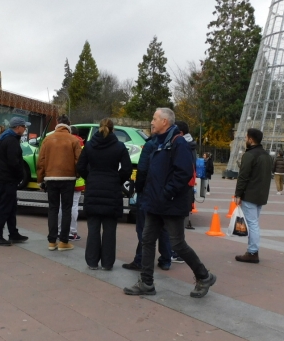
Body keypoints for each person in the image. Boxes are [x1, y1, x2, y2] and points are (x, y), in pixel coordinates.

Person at [124, 108, 216, 298]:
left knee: (178, 244)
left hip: (170, 204)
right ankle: (146, 282)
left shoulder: (178, 142)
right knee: (147, 240)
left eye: (155, 119)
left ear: (165, 121)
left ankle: (204, 276)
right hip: (155, 203)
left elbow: (182, 173)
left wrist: (166, 194)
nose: (152, 122)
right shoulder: (158, 142)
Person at [77, 118, 131, 269]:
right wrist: (116, 179)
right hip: (112, 190)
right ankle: (107, 263)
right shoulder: (119, 147)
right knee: (110, 230)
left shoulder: (89, 146)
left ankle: (92, 261)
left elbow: (80, 166)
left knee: (93, 228)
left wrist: (90, 177)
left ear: (98, 128)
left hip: (93, 188)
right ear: (113, 130)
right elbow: (126, 169)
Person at [122, 132, 175, 272]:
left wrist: (138, 189)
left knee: (144, 229)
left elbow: (142, 169)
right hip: (164, 192)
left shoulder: (150, 145)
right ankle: (166, 260)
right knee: (163, 227)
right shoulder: (172, 144)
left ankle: (141, 260)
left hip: (147, 191)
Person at [37, 115, 82, 251]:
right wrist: (76, 175)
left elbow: (41, 161)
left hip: (51, 179)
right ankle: (63, 241)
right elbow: (79, 161)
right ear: (69, 124)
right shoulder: (73, 140)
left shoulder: (47, 139)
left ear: (57, 123)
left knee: (53, 209)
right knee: (66, 209)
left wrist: (40, 180)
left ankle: (52, 241)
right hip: (68, 179)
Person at [234, 128, 273, 264]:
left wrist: (238, 194)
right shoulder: (267, 156)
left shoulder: (250, 155)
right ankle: (252, 250)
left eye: (246, 137)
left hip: (250, 194)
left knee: (252, 224)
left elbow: (243, 176)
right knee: (254, 222)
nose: (245, 139)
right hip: (261, 194)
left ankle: (252, 252)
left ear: (251, 139)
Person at [0, 117, 29, 246]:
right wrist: (20, 175)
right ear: (18, 127)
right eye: (24, 126)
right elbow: (14, 162)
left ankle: (13, 233)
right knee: (4, 207)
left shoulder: (6, 138)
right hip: (7, 179)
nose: (25, 129)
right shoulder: (11, 141)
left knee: (11, 207)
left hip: (4, 178)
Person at [63, 126, 85, 241]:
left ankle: (60, 230)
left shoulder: (66, 141)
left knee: (63, 206)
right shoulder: (81, 143)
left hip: (65, 177)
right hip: (78, 179)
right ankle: (72, 232)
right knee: (74, 205)